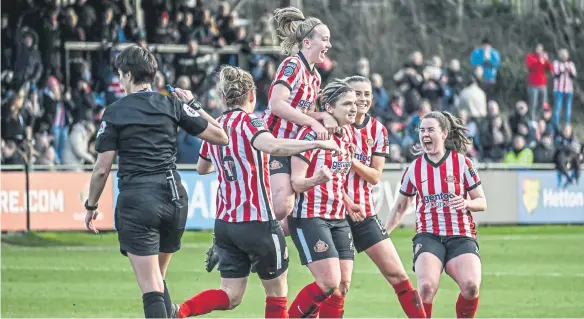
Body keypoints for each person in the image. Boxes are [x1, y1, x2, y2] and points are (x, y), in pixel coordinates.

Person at [174, 67, 341, 318]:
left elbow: (202, 168)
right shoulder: (250, 122)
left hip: (225, 224)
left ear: (223, 98)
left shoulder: (218, 126)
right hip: (258, 221)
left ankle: (180, 311)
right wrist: (317, 142)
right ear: (252, 95)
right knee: (277, 297)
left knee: (230, 295)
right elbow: (272, 145)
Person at [83, 44, 228, 318]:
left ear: (126, 75)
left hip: (139, 201)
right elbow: (221, 136)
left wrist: (91, 206)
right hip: (174, 198)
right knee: (158, 279)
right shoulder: (171, 104)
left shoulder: (115, 112)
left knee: (150, 286)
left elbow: (102, 168)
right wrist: (193, 104)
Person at [205, 5, 337, 272]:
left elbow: (300, 107)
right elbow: (277, 104)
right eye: (325, 38)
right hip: (274, 142)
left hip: (292, 147)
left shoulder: (314, 75)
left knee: (287, 212)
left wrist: (323, 116)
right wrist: (313, 120)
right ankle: (237, 246)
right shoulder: (292, 65)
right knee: (283, 204)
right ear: (307, 41)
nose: (329, 44)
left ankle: (245, 248)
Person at [385, 111, 488, 319]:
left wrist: (467, 202)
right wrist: (383, 234)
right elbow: (401, 206)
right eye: (422, 130)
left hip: (461, 235)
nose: (425, 134)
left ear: (444, 134)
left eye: (431, 130)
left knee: (471, 287)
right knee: (426, 287)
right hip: (428, 235)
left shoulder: (463, 164)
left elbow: (482, 202)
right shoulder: (414, 168)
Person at [342, 75, 426, 318]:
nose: (363, 99)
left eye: (367, 94)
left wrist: (352, 161)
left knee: (398, 275)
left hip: (365, 213)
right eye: (357, 94)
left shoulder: (377, 130)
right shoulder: (333, 126)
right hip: (334, 213)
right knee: (337, 285)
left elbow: (375, 176)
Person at [286, 79, 364, 318]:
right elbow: (296, 182)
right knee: (328, 282)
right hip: (310, 216)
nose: (355, 107)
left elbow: (338, 179)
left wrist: (349, 203)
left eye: (355, 103)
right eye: (347, 103)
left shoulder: (348, 134)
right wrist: (315, 181)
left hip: (338, 217)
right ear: (329, 108)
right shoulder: (310, 135)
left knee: (341, 287)